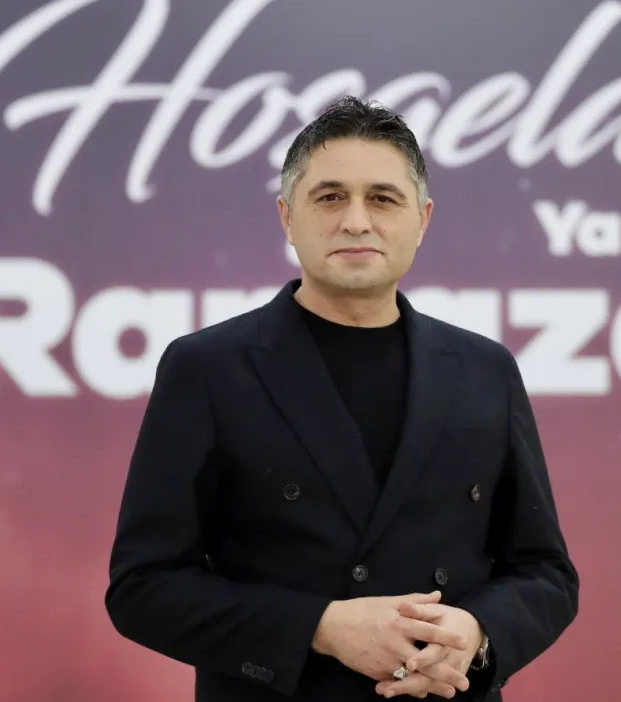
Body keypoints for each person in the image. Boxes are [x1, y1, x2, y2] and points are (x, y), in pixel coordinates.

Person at [105, 96, 579, 701]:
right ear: (286, 216)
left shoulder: (486, 370)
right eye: (330, 197)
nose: (356, 221)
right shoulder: (207, 368)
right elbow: (143, 587)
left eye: (382, 198)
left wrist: (478, 634)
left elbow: (546, 573)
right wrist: (319, 628)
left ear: (423, 219)